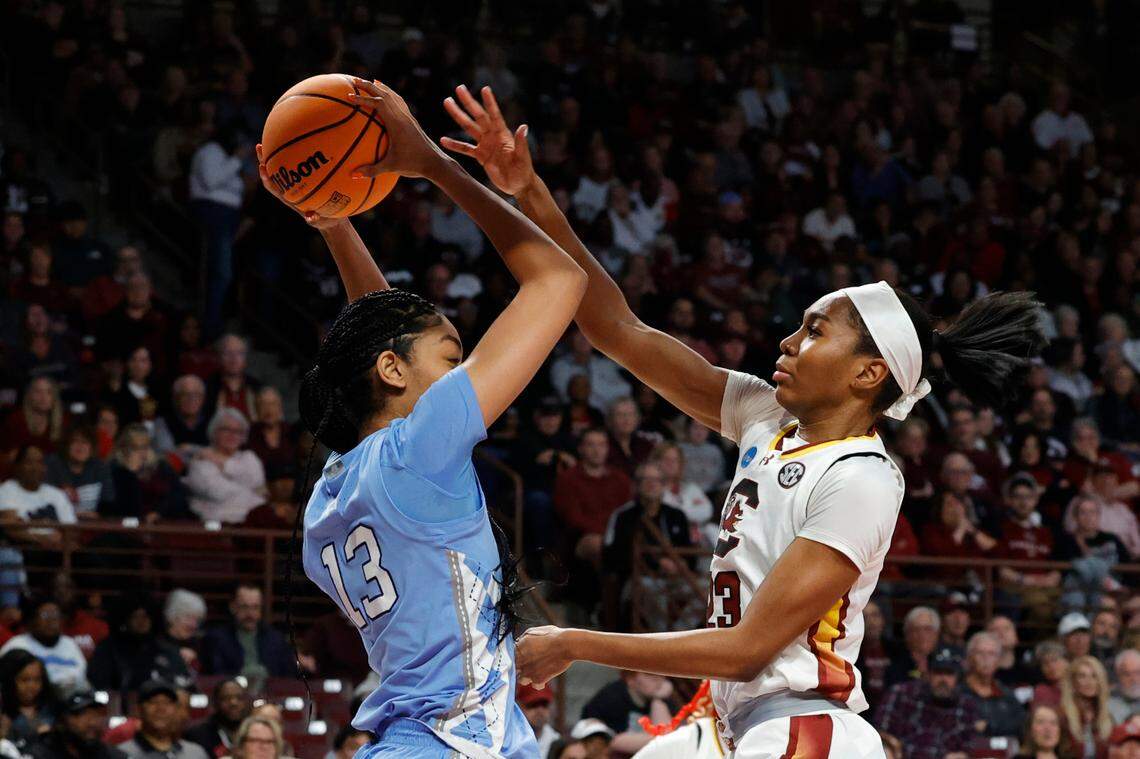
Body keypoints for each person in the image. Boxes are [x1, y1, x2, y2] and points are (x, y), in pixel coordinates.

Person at [446, 83, 1045, 758]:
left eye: (815, 331)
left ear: (868, 373)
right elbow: (614, 325)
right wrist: (526, 189)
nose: (788, 341)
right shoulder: (765, 415)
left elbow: (749, 646)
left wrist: (575, 642)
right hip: (730, 719)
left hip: (805, 723)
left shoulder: (863, 477)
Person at [260, 79, 586, 757]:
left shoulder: (329, 498)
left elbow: (377, 339)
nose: (465, 372)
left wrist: (334, 221)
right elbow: (560, 278)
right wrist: (436, 166)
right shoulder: (417, 451)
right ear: (393, 373)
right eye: (452, 356)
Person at [875, 647, 983, 759]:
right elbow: (878, 730)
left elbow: (974, 742)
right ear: (928, 674)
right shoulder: (901, 694)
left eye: (949, 673)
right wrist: (890, 745)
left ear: (958, 677)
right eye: (938, 673)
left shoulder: (967, 704)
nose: (943, 679)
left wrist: (964, 755)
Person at [88, 594, 191, 694]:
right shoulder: (108, 648)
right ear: (126, 619)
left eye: (146, 616)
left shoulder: (165, 649)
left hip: (162, 705)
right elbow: (100, 683)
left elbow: (183, 682)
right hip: (120, 706)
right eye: (135, 616)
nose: (141, 621)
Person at [183, 409, 266, 524]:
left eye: (238, 431)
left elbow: (257, 481)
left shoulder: (249, 457)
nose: (232, 435)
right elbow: (217, 492)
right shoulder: (201, 462)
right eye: (226, 429)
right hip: (216, 525)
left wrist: (222, 462)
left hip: (252, 523)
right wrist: (253, 495)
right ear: (214, 431)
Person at [200, 585, 291, 683]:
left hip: (270, 695)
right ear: (232, 607)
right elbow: (216, 676)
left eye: (255, 607)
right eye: (245, 607)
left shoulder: (276, 639)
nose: (250, 614)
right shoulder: (216, 639)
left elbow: (287, 678)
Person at [0, 597, 86, 692]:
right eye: (45, 615)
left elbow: (82, 677)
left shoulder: (70, 644)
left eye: (56, 615)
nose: (52, 620)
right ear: (32, 620)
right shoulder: (17, 646)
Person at [580, 672, 673, 755]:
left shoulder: (661, 697)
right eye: (648, 674)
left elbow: (665, 733)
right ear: (630, 679)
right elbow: (614, 742)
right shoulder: (612, 698)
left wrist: (658, 699)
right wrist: (661, 739)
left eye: (661, 672)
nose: (658, 678)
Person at [117, 679, 209, 759]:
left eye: (167, 702)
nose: (161, 709)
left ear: (176, 709)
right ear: (138, 709)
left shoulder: (196, 753)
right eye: (153, 702)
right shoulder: (122, 754)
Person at [961, 631, 1025, 742]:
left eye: (992, 654)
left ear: (998, 660)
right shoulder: (957, 692)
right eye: (980, 653)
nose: (986, 659)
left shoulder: (1007, 695)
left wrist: (988, 727)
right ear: (970, 658)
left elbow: (1020, 726)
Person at [25, 690, 126, 759]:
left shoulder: (104, 752)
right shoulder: (41, 754)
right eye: (80, 715)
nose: (92, 722)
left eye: (94, 715)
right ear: (61, 722)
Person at [44, 427, 115, 516]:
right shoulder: (53, 465)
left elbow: (108, 504)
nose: (80, 446)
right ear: (67, 445)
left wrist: (97, 515)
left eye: (85, 442)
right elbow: (45, 503)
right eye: (75, 441)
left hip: (92, 526)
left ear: (92, 447)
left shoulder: (100, 468)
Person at [0, 648, 59, 746]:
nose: (32, 686)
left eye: (37, 679)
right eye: (24, 680)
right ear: (8, 681)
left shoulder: (53, 708)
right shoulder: (3, 714)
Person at [1059, 655, 1113, 758]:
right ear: (1073, 682)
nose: (1089, 682)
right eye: (1082, 676)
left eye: (1094, 676)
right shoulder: (1062, 715)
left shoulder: (1107, 716)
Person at [183, 678, 250, 758]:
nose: (233, 703)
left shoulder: (254, 732)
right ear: (215, 703)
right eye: (226, 698)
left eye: (239, 698)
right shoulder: (197, 735)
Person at [883, 606, 941, 688]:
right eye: (916, 629)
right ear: (906, 634)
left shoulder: (946, 661)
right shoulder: (895, 664)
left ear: (937, 634)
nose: (922, 635)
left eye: (927, 629)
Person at [516, 684, 559, 758]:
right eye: (533, 705)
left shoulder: (556, 741)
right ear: (519, 707)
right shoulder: (508, 739)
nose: (540, 711)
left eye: (544, 705)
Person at [1109, 649, 1140, 724]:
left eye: (1137, 672)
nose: (1134, 679)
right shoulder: (1109, 701)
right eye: (1127, 674)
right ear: (1118, 675)